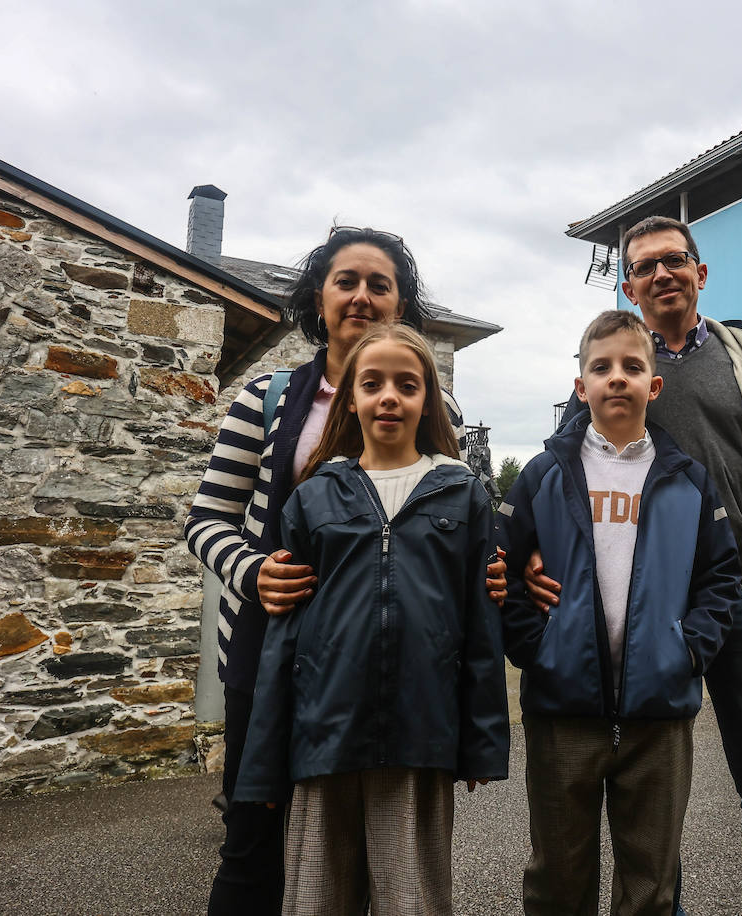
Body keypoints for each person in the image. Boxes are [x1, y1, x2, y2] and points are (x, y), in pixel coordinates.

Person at [184, 227, 507, 914]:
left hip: (398, 675)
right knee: (254, 847)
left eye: (380, 284)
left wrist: (492, 573)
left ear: (400, 304)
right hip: (271, 650)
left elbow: (456, 517)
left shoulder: (435, 405)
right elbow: (206, 519)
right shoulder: (264, 401)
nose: (362, 296)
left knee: (394, 868)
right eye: (346, 281)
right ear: (320, 297)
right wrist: (252, 571)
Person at [532, 217, 742, 915]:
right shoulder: (621, 363)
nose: (661, 274)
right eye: (645, 267)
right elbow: (560, 467)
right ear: (630, 287)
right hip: (656, 614)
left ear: (700, 273)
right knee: (657, 794)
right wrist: (537, 549)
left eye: (674, 261)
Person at [497, 309, 740, 915]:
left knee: (650, 885)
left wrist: (686, 651)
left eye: (632, 367)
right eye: (600, 367)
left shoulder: (688, 480)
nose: (616, 378)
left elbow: (719, 577)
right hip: (561, 712)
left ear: (653, 386)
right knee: (557, 879)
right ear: (580, 386)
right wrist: (535, 648)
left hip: (657, 717)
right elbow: (499, 569)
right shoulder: (544, 475)